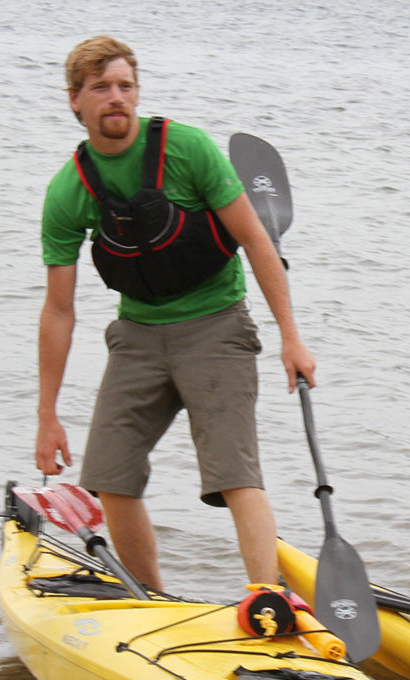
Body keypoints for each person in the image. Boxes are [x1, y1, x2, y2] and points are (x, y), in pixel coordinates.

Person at [36, 35, 316, 591]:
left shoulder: (187, 150)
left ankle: (266, 598)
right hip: (137, 335)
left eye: (125, 86)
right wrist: (47, 415)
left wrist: (291, 337)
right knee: (110, 477)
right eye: (100, 88)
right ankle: (153, 601)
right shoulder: (69, 190)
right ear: (75, 100)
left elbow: (258, 243)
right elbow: (59, 309)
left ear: (137, 94)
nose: (115, 98)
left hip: (217, 327)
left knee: (234, 474)